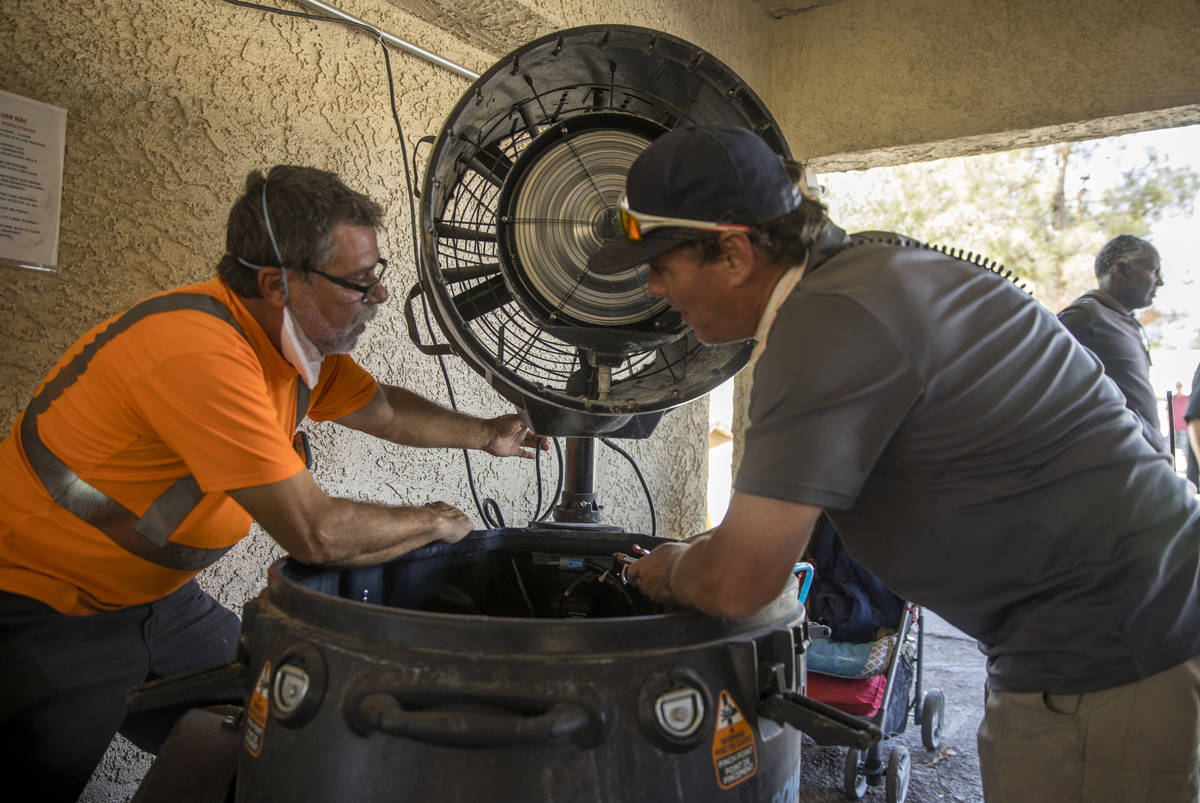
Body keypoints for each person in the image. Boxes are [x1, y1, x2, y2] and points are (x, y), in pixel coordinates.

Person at [590, 123, 1200, 802]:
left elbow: (740, 581)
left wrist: (670, 568)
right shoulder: (866, 277)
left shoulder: (825, 323)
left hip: (1113, 652)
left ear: (732, 251)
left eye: (662, 266)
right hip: (1126, 624)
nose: (651, 288)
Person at [0, 165, 544, 801]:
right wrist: (435, 522)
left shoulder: (292, 350)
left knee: (284, 729)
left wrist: (488, 434)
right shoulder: (199, 351)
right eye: (357, 282)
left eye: (378, 274)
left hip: (161, 605)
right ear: (276, 283)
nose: (376, 298)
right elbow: (315, 533)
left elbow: (387, 412)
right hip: (43, 607)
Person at [1057, 234, 1168, 453]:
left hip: (1145, 466)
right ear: (1123, 270)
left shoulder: (1125, 321)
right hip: (1120, 468)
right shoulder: (1084, 317)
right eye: (1154, 270)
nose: (1160, 281)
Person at [1171, 380, 1191, 454]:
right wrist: (1170, 428)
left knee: (1186, 451)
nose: (1178, 388)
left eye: (1180, 386)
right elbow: (1168, 414)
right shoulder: (1172, 399)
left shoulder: (1186, 398)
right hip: (1175, 428)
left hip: (1185, 427)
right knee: (1171, 450)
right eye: (1177, 386)